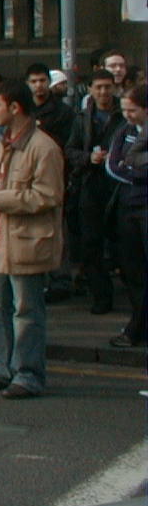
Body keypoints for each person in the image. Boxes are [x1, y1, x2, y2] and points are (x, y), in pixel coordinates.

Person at [0, 81, 65, 399]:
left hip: (27, 240)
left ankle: (28, 375)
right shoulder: (5, 143)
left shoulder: (44, 147)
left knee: (26, 311)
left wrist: (0, 197)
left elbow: (48, 195)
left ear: (15, 108)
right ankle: (1, 369)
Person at [63, 69, 124, 315]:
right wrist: (89, 158)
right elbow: (71, 150)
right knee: (91, 244)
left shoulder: (124, 115)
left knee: (123, 244)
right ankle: (101, 295)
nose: (103, 92)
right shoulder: (82, 118)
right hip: (91, 184)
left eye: (107, 87)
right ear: (90, 89)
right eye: (98, 87)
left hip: (119, 185)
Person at [104, 83, 146, 348]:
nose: (127, 115)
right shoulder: (124, 131)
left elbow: (125, 164)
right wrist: (135, 171)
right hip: (127, 208)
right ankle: (139, 324)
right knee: (133, 271)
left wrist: (130, 166)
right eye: (124, 110)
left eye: (132, 110)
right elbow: (113, 165)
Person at [24, 62, 75, 147]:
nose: (38, 85)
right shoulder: (22, 109)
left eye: (42, 80)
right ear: (27, 83)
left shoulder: (64, 111)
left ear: (50, 81)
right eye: (34, 81)